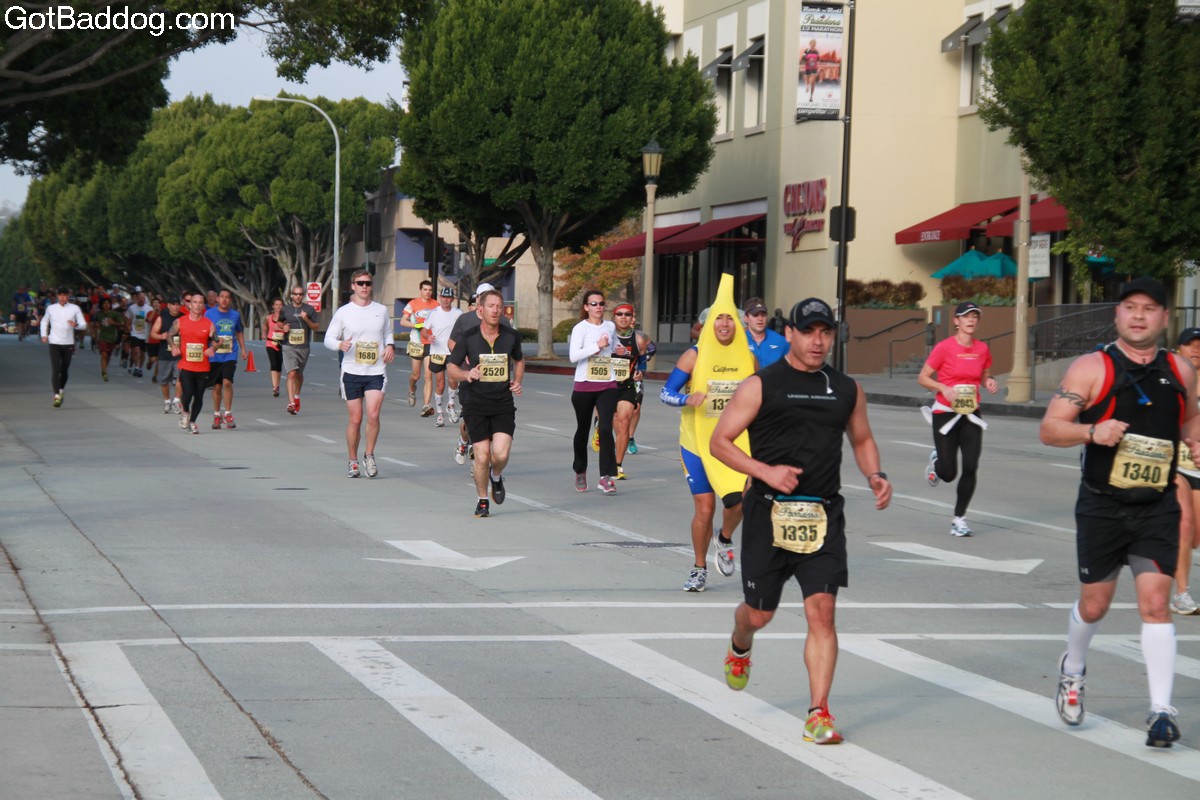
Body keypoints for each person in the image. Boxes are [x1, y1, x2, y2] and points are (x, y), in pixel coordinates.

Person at [710, 297, 892, 745]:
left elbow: (862, 439)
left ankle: (818, 713)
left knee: (823, 611)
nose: (817, 341)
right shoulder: (761, 384)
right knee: (759, 615)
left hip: (822, 514)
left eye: (825, 332)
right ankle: (739, 644)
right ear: (789, 333)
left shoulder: (846, 389)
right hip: (768, 512)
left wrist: (875, 474)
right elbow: (720, 442)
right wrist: (765, 471)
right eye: (808, 331)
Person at [1040, 276, 1198, 749]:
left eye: (1149, 308)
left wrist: (1195, 439)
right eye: (1131, 307)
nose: (1139, 316)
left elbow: (1190, 416)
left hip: (1157, 505)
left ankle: (1161, 712)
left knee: (1155, 604)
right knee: (1095, 605)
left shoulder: (1180, 369)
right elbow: (1050, 428)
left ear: (1164, 317)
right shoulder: (1092, 367)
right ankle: (1072, 669)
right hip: (1102, 505)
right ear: (1118, 314)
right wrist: (1092, 432)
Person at [660, 308, 747, 591]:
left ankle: (724, 537)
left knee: (739, 502)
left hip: (733, 444)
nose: (724, 323)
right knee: (705, 507)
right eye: (718, 318)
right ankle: (699, 569)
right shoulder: (694, 355)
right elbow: (665, 393)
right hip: (696, 444)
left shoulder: (747, 357)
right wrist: (686, 399)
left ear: (739, 325)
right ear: (706, 325)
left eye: (730, 318)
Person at [917, 301, 998, 537]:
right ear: (956, 321)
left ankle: (959, 519)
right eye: (966, 316)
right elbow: (923, 377)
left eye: (975, 316)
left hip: (971, 414)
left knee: (971, 466)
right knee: (949, 473)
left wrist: (989, 382)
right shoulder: (944, 348)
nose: (971, 320)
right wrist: (943, 387)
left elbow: (984, 375)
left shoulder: (982, 349)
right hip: (945, 413)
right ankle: (937, 463)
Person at [447, 290, 525, 517]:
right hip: (475, 402)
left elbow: (519, 360)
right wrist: (467, 374)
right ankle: (482, 500)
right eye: (490, 306)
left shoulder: (511, 336)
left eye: (498, 306)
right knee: (481, 456)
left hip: (502, 402)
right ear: (480, 310)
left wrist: (517, 381)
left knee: (500, 455)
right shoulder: (468, 337)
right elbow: (451, 368)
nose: (495, 310)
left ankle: (496, 476)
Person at [323, 269, 395, 478]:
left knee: (373, 415)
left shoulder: (381, 310)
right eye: (360, 283)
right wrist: (340, 344)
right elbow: (328, 339)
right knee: (356, 419)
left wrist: (389, 346)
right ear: (353, 286)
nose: (364, 287)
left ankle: (369, 455)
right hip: (351, 371)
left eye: (367, 283)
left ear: (371, 286)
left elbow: (387, 333)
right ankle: (353, 460)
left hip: (376, 371)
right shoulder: (344, 312)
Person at [569, 289, 619, 494]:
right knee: (583, 429)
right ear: (586, 307)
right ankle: (580, 470)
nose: (598, 307)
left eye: (601, 303)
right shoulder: (580, 328)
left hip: (607, 383)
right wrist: (596, 346)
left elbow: (614, 346)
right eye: (594, 304)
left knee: (605, 428)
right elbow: (573, 356)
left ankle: (606, 476)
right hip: (584, 384)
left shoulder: (610, 326)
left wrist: (619, 350)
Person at [1173, 327, 1200, 616]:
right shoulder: (1171, 380)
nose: (1196, 349)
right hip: (1174, 465)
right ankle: (1181, 593)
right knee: (1185, 524)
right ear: (1179, 348)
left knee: (1195, 538)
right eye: (1190, 344)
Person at [610, 303, 651, 479]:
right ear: (614, 317)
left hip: (627, 386)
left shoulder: (639, 340)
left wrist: (641, 372)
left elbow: (642, 361)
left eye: (627, 314)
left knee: (625, 422)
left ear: (632, 317)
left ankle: (617, 466)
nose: (623, 317)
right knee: (615, 423)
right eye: (619, 314)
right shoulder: (607, 336)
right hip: (607, 386)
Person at [169, 293, 217, 434]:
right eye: (194, 302)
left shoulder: (209, 324)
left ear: (203, 306)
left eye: (200, 302)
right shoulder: (180, 322)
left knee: (199, 396)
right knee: (188, 393)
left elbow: (216, 340)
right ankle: (185, 411)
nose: (197, 305)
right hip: (186, 365)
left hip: (202, 366)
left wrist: (213, 348)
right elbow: (170, 335)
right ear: (189, 305)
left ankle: (192, 422)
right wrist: (173, 346)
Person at [205, 289, 247, 430]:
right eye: (222, 297)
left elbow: (239, 332)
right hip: (215, 355)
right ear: (217, 299)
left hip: (230, 354)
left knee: (227, 382)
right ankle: (217, 415)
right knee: (217, 386)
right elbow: (204, 332)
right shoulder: (209, 314)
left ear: (230, 300)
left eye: (227, 297)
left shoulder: (235, 315)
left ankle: (228, 413)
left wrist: (243, 349)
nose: (224, 299)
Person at [40, 287, 87, 407]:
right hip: (54, 342)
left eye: (65, 295)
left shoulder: (74, 308)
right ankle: (56, 395)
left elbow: (83, 325)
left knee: (64, 370)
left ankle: (61, 390)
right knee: (55, 370)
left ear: (68, 296)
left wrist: (76, 324)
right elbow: (44, 321)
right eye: (60, 295)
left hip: (68, 343)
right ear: (57, 296)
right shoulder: (51, 308)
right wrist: (44, 335)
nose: (62, 297)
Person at [426, 286, 464, 427]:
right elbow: (424, 329)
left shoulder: (458, 313)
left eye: (448, 297)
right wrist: (428, 336)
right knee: (440, 383)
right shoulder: (433, 313)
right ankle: (440, 413)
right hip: (437, 352)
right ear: (440, 297)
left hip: (453, 351)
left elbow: (464, 330)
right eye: (443, 297)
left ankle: (451, 404)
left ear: (452, 299)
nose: (445, 300)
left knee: (453, 380)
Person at [400, 279, 439, 415]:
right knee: (416, 375)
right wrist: (416, 325)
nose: (427, 292)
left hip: (430, 344)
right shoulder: (412, 304)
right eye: (425, 290)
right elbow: (403, 321)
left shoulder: (436, 305)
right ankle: (412, 389)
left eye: (430, 290)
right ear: (420, 291)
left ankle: (426, 405)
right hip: (416, 343)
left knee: (428, 375)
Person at [281, 285, 319, 414]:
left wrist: (306, 319)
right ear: (291, 295)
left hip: (303, 347)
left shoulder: (309, 309)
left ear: (303, 296)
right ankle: (291, 403)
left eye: (300, 294)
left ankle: (296, 396)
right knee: (291, 374)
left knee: (298, 374)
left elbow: (316, 327)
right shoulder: (285, 309)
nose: (298, 296)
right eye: (296, 294)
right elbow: (279, 322)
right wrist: (283, 327)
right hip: (288, 346)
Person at [150, 296, 184, 413]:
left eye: (177, 304)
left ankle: (176, 401)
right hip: (165, 353)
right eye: (173, 304)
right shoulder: (162, 318)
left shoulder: (183, 318)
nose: (176, 307)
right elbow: (153, 333)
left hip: (180, 354)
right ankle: (167, 401)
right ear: (168, 305)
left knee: (181, 378)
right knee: (164, 380)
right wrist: (161, 336)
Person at [743, 297, 788, 368]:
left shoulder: (781, 341)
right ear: (746, 318)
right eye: (755, 315)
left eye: (763, 315)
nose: (760, 319)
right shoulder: (739, 341)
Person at [94, 297, 124, 381]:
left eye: (108, 303)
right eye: (104, 303)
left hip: (112, 338)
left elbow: (121, 323)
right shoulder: (98, 314)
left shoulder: (115, 314)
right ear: (101, 305)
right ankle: (104, 373)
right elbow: (95, 323)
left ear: (110, 304)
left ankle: (104, 368)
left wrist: (113, 322)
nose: (106, 305)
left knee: (108, 355)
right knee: (104, 354)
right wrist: (95, 330)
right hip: (102, 337)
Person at [125, 287, 152, 378]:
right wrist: (128, 326)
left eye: (143, 298)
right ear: (137, 298)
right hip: (134, 333)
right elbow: (127, 317)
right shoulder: (132, 308)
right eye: (140, 298)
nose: (141, 299)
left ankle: (140, 368)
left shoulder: (149, 309)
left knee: (142, 353)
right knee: (136, 350)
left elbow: (152, 319)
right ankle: (136, 367)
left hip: (145, 334)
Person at [263, 298, 286, 398]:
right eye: (276, 304)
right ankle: (275, 387)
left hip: (282, 343)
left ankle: (277, 385)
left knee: (279, 365)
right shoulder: (269, 317)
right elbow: (265, 326)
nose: (278, 306)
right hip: (271, 343)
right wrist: (264, 333)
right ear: (273, 306)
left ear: (283, 306)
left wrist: (281, 328)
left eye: (280, 304)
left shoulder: (285, 318)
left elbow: (288, 329)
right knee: (273, 364)